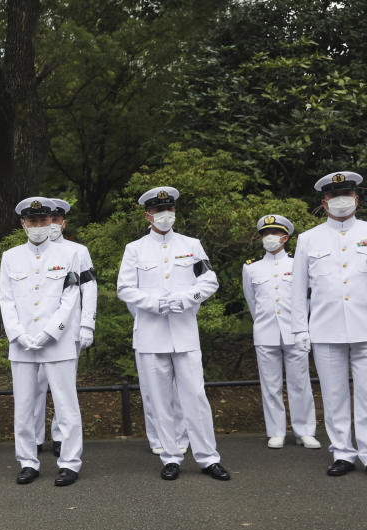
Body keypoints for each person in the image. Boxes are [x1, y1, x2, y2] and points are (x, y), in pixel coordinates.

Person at [116, 187, 230, 481]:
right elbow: (125, 288)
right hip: (151, 335)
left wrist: (187, 298)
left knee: (195, 396)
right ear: (148, 215)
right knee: (160, 399)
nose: (164, 216)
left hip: (185, 333)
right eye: (158, 211)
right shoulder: (135, 249)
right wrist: (154, 303)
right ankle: (170, 456)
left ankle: (208, 457)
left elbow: (209, 281)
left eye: (169, 210)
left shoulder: (192, 245)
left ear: (175, 212)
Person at [0, 197, 84, 487]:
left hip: (57, 342)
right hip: (22, 344)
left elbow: (71, 297)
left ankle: (70, 462)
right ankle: (27, 461)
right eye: (32, 221)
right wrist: (18, 334)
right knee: (23, 407)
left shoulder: (68, 255)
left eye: (43, 221)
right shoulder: (10, 257)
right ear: (23, 223)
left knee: (66, 405)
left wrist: (52, 331)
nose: (38, 226)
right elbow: (6, 300)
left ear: (52, 222)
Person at [291, 171, 367, 476]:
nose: (340, 202)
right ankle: (343, 453)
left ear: (357, 199)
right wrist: (299, 328)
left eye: (346, 196)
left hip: (366, 327)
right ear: (324, 203)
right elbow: (297, 288)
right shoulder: (309, 239)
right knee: (334, 396)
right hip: (326, 329)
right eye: (334, 198)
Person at [242, 214, 320, 450]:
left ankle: (305, 431)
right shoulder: (251, 268)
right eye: (265, 234)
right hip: (265, 332)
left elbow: (307, 300)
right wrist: (264, 324)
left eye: (274, 233)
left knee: (300, 383)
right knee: (270, 384)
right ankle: (275, 431)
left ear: (285, 237)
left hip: (294, 331)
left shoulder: (298, 263)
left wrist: (303, 328)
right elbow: (252, 303)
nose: (269, 238)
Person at [30, 198, 97, 458]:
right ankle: (34, 436)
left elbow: (88, 288)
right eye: (49, 219)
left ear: (62, 222)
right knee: (34, 385)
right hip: (36, 332)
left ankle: (60, 435)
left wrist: (87, 324)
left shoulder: (77, 251)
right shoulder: (28, 252)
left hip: (67, 331)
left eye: (57, 220)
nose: (52, 224)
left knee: (63, 386)